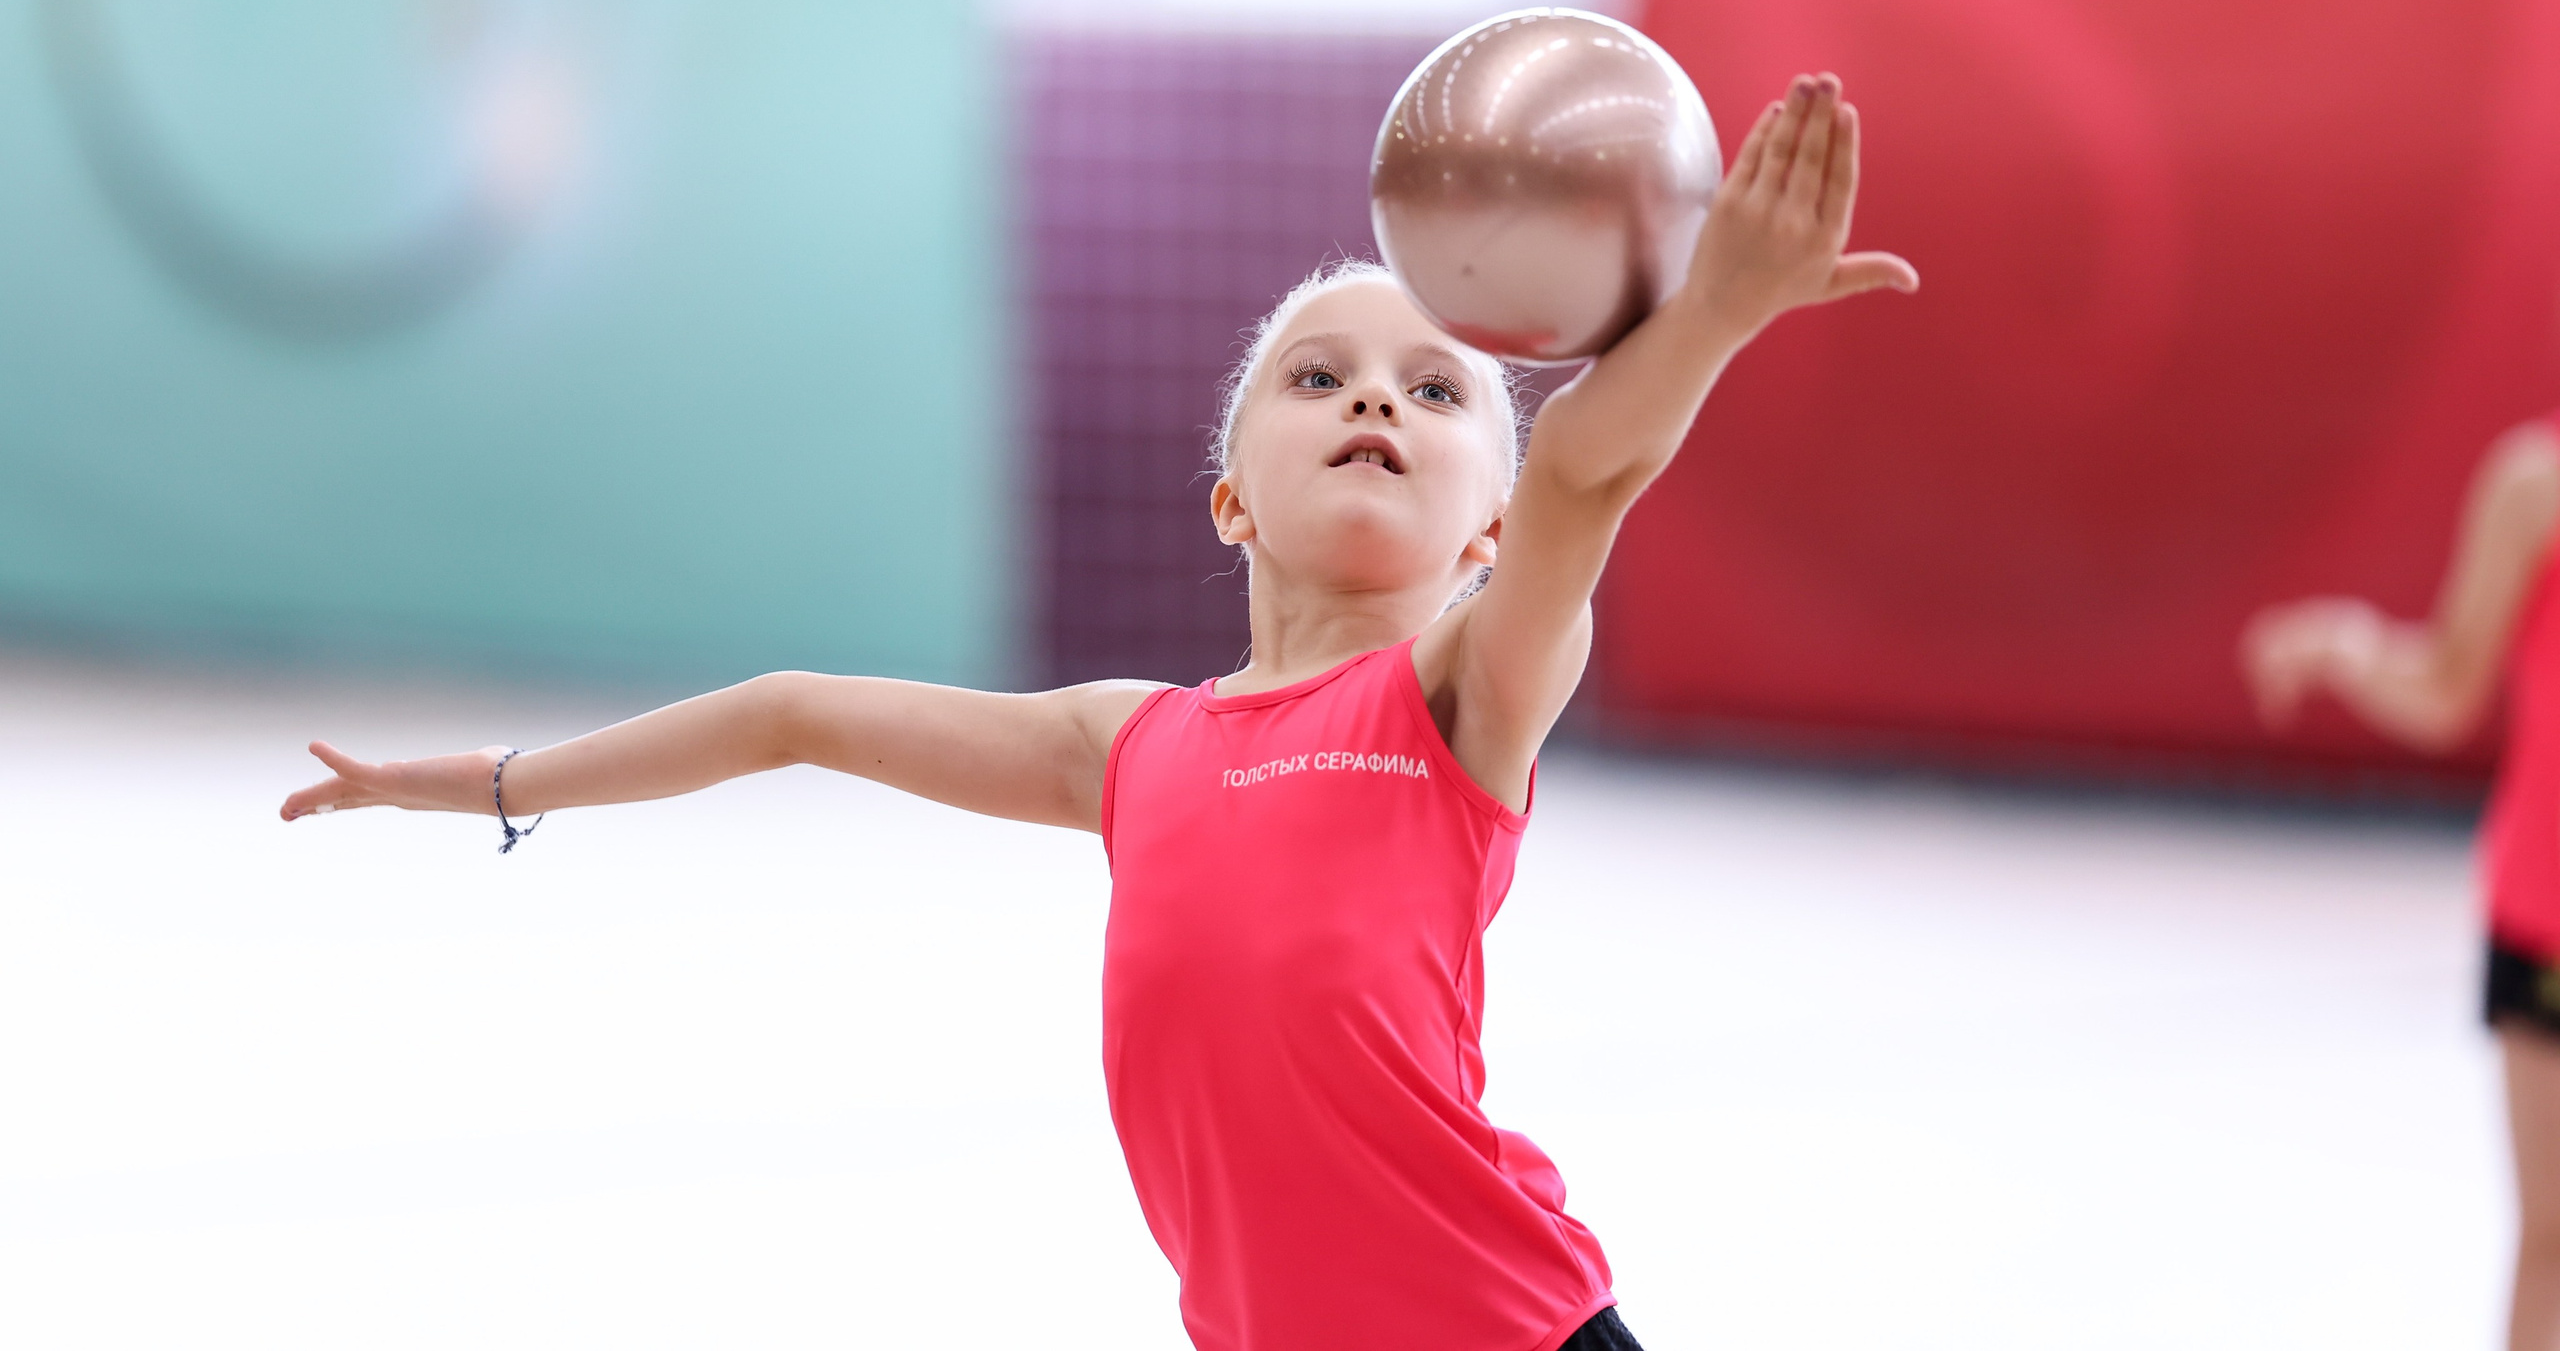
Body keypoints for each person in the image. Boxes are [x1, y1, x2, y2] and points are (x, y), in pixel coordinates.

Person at [283, 74, 1915, 1351]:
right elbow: (792, 712)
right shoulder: (1132, 747)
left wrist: (1712, 312)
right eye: (1319, 373)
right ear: (1228, 501)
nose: (1373, 396)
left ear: (1485, 533)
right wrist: (498, 778)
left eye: (1434, 391)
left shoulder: (1461, 691)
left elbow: (1589, 466)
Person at [2243, 421, 2560, 1351]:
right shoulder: (2535, 489)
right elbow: (2447, 682)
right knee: (2552, 1244)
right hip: (2546, 921)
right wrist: (2347, 645)